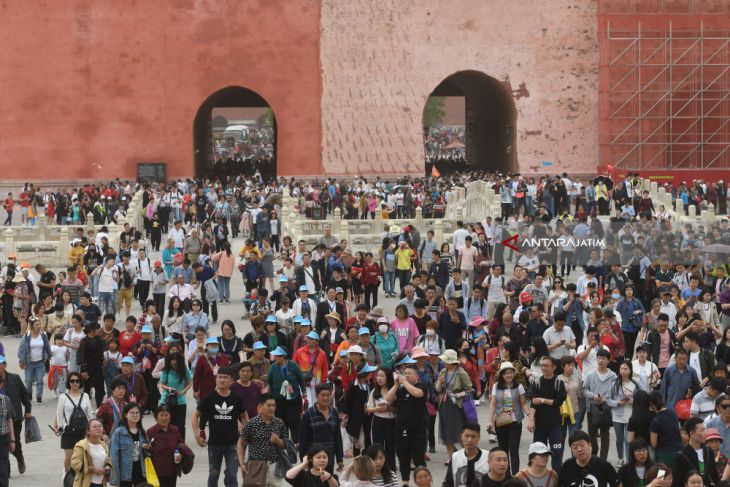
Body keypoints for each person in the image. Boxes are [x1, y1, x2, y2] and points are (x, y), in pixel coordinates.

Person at [193, 366, 246, 487]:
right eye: (219, 377)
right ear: (216, 379)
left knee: (232, 475)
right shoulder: (209, 397)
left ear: (231, 380)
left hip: (233, 444)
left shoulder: (236, 398)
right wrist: (197, 435)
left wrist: (244, 433)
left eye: (225, 378)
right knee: (213, 475)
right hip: (214, 444)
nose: (222, 380)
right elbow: (195, 415)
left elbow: (244, 416)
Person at [384, 363, 427, 484]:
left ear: (417, 376)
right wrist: (397, 384)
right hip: (401, 431)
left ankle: (422, 484)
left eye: (409, 374)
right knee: (403, 460)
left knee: (419, 460)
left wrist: (405, 382)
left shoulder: (421, 386)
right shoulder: (402, 389)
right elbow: (388, 398)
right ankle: (405, 483)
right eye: (405, 373)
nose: (406, 376)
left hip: (417, 431)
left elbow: (418, 393)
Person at [238, 393, 289, 487]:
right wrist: (241, 464)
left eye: (274, 405)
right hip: (256, 467)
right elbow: (240, 444)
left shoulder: (279, 423)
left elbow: (286, 445)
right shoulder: (252, 423)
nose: (272, 408)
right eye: (269, 405)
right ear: (260, 407)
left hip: (275, 467)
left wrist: (278, 441)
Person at [488, 362, 529, 475]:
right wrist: (490, 421)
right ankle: (505, 475)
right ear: (502, 375)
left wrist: (530, 415)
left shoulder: (519, 386)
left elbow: (523, 403)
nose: (509, 375)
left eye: (510, 373)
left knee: (514, 450)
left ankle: (516, 476)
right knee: (503, 450)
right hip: (501, 422)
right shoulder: (496, 386)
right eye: (506, 373)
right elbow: (493, 404)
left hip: (515, 422)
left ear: (513, 374)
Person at [527, 356, 567, 471]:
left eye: (546, 365)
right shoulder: (537, 382)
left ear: (553, 367)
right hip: (539, 425)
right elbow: (534, 403)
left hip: (555, 424)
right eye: (542, 365)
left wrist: (542, 400)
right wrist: (531, 420)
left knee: (557, 453)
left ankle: (556, 479)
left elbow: (559, 402)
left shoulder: (559, 383)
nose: (543, 368)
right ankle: (539, 477)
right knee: (538, 454)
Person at [435, 349, 474, 458]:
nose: (444, 362)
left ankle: (468, 455)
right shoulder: (443, 371)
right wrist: (439, 382)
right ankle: (450, 457)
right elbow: (437, 389)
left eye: (445, 361)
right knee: (447, 431)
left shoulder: (461, 373)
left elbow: (470, 390)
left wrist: (458, 395)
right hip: (445, 403)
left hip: (458, 405)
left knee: (459, 431)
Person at [300, 384, 345, 473]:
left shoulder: (334, 412)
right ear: (316, 396)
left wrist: (340, 459)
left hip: (329, 458)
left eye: (328, 395)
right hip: (313, 460)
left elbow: (337, 437)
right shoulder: (308, 415)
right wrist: (303, 461)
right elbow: (303, 440)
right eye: (323, 395)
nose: (326, 398)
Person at [581, 348, 617, 461]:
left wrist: (606, 399)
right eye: (599, 358)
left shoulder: (613, 376)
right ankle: (594, 452)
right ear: (596, 359)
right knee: (592, 433)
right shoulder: (590, 374)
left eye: (604, 358)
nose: (601, 361)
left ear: (608, 360)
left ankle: (603, 460)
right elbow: (584, 390)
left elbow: (615, 392)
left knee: (605, 434)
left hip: (606, 409)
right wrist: (594, 396)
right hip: (592, 407)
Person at [267, 346, 307, 442]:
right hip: (278, 399)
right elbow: (269, 382)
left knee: (294, 420)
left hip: (294, 398)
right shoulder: (273, 367)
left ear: (283, 357)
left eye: (277, 356)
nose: (275, 358)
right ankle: (283, 442)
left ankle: (296, 441)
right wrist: (270, 397)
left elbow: (300, 379)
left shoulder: (293, 365)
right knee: (281, 420)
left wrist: (304, 391)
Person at [56, 371, 95, 472]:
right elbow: (59, 414)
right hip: (68, 432)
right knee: (69, 458)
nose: (75, 383)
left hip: (83, 431)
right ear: (68, 382)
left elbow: (89, 414)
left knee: (83, 457)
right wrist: (61, 427)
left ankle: (79, 478)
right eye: (72, 381)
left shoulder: (85, 396)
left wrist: (91, 429)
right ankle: (67, 476)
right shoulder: (63, 397)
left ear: (80, 383)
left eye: (77, 381)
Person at [0, 354, 31, 475]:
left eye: (1, 364)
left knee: (15, 441)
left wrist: (28, 410)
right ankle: (5, 470)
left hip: (15, 417)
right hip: (1, 418)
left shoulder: (15, 378)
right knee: (3, 443)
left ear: (5, 365)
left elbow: (25, 394)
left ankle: (20, 458)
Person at [672, 417, 719, 487]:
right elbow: (677, 483)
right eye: (702, 430)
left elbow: (714, 477)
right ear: (692, 434)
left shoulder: (709, 452)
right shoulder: (680, 456)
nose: (705, 433)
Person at [110, 402, 149, 486]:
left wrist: (147, 448)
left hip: (141, 472)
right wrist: (116, 478)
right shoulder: (119, 432)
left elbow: (147, 454)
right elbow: (114, 457)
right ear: (125, 415)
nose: (135, 415)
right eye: (132, 413)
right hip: (125, 474)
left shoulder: (142, 432)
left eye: (137, 413)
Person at [146, 405, 185, 487]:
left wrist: (180, 455)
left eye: (166, 415)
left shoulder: (175, 430)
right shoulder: (150, 432)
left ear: (170, 417)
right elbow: (146, 452)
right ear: (156, 417)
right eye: (161, 415)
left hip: (172, 470)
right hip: (157, 471)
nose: (164, 418)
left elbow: (181, 445)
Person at [366, 368, 397, 471]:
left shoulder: (393, 390)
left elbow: (398, 407)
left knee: (390, 447)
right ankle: (377, 470)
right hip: (378, 421)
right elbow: (368, 408)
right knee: (377, 446)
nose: (379, 378)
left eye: (382, 376)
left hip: (391, 422)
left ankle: (391, 471)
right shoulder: (375, 391)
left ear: (388, 377)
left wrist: (388, 408)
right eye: (378, 376)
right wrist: (378, 409)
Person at [443, 422, 489, 487]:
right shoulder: (455, 456)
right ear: (461, 436)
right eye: (467, 436)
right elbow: (448, 482)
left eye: (473, 437)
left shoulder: (488, 456)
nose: (469, 440)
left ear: (479, 438)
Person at [159, 351, 192, 441]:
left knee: (180, 426)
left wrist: (183, 391)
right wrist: (168, 388)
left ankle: (181, 445)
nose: (174, 366)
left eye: (176, 364)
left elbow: (190, 383)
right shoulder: (166, 369)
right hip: (167, 399)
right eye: (172, 363)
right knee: (167, 424)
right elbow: (162, 384)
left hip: (180, 400)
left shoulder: (184, 369)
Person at [17, 317, 51, 404]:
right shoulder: (27, 336)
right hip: (29, 363)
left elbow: (47, 346)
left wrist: (49, 355)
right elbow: (21, 349)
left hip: (40, 362)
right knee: (28, 381)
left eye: (40, 324)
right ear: (32, 326)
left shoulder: (43, 335)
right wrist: (21, 361)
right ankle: (29, 394)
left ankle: (39, 397)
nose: (39, 326)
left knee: (39, 380)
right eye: (36, 325)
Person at [69, 419, 112, 487]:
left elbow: (108, 459)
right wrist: (93, 469)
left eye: (100, 426)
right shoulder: (81, 445)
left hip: (101, 482)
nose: (98, 428)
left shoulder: (104, 445)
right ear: (88, 431)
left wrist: (107, 466)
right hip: (86, 483)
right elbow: (75, 463)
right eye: (94, 427)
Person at [649, 391, 683, 467]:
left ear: (651, 404)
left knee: (662, 477)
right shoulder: (673, 413)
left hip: (664, 454)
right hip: (679, 450)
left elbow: (654, 444)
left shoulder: (655, 420)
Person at [0, 374, 16, 486]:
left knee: (3, 470)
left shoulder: (5, 400)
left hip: (3, 438)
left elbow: (9, 420)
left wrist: (12, 440)